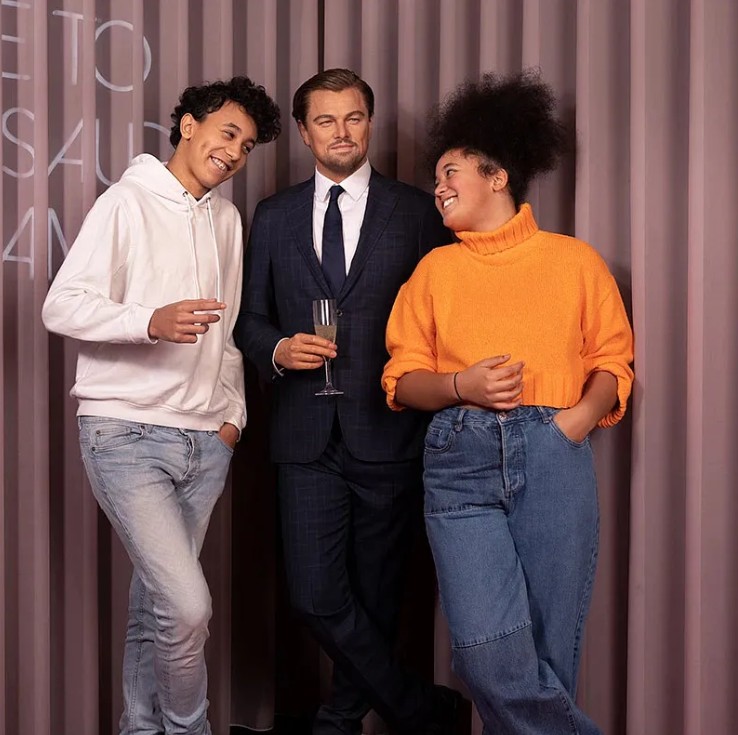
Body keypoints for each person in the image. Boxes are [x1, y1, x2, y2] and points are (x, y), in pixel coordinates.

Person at [381, 71, 634, 734]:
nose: (438, 187)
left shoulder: (575, 262)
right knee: (487, 655)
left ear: (497, 176)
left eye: (451, 172)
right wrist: (460, 386)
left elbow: (613, 363)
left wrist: (572, 424)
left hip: (554, 455)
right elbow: (401, 378)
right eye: (436, 177)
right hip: (458, 460)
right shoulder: (434, 272)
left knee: (548, 654)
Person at [42, 76, 281, 735]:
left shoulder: (226, 219)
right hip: (125, 434)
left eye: (248, 145)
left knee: (157, 608)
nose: (235, 152)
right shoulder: (126, 202)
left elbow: (228, 334)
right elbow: (61, 305)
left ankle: (141, 728)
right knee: (187, 605)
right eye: (228, 133)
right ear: (189, 126)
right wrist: (148, 320)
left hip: (206, 440)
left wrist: (232, 419)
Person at [235, 68, 459, 735]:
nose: (342, 131)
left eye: (354, 117)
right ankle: (420, 710)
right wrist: (279, 348)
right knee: (314, 593)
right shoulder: (273, 215)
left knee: (379, 595)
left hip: (389, 428)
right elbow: (249, 321)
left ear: (370, 124)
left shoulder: (417, 212)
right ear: (304, 133)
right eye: (326, 120)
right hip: (304, 434)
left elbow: (444, 316)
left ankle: (337, 722)